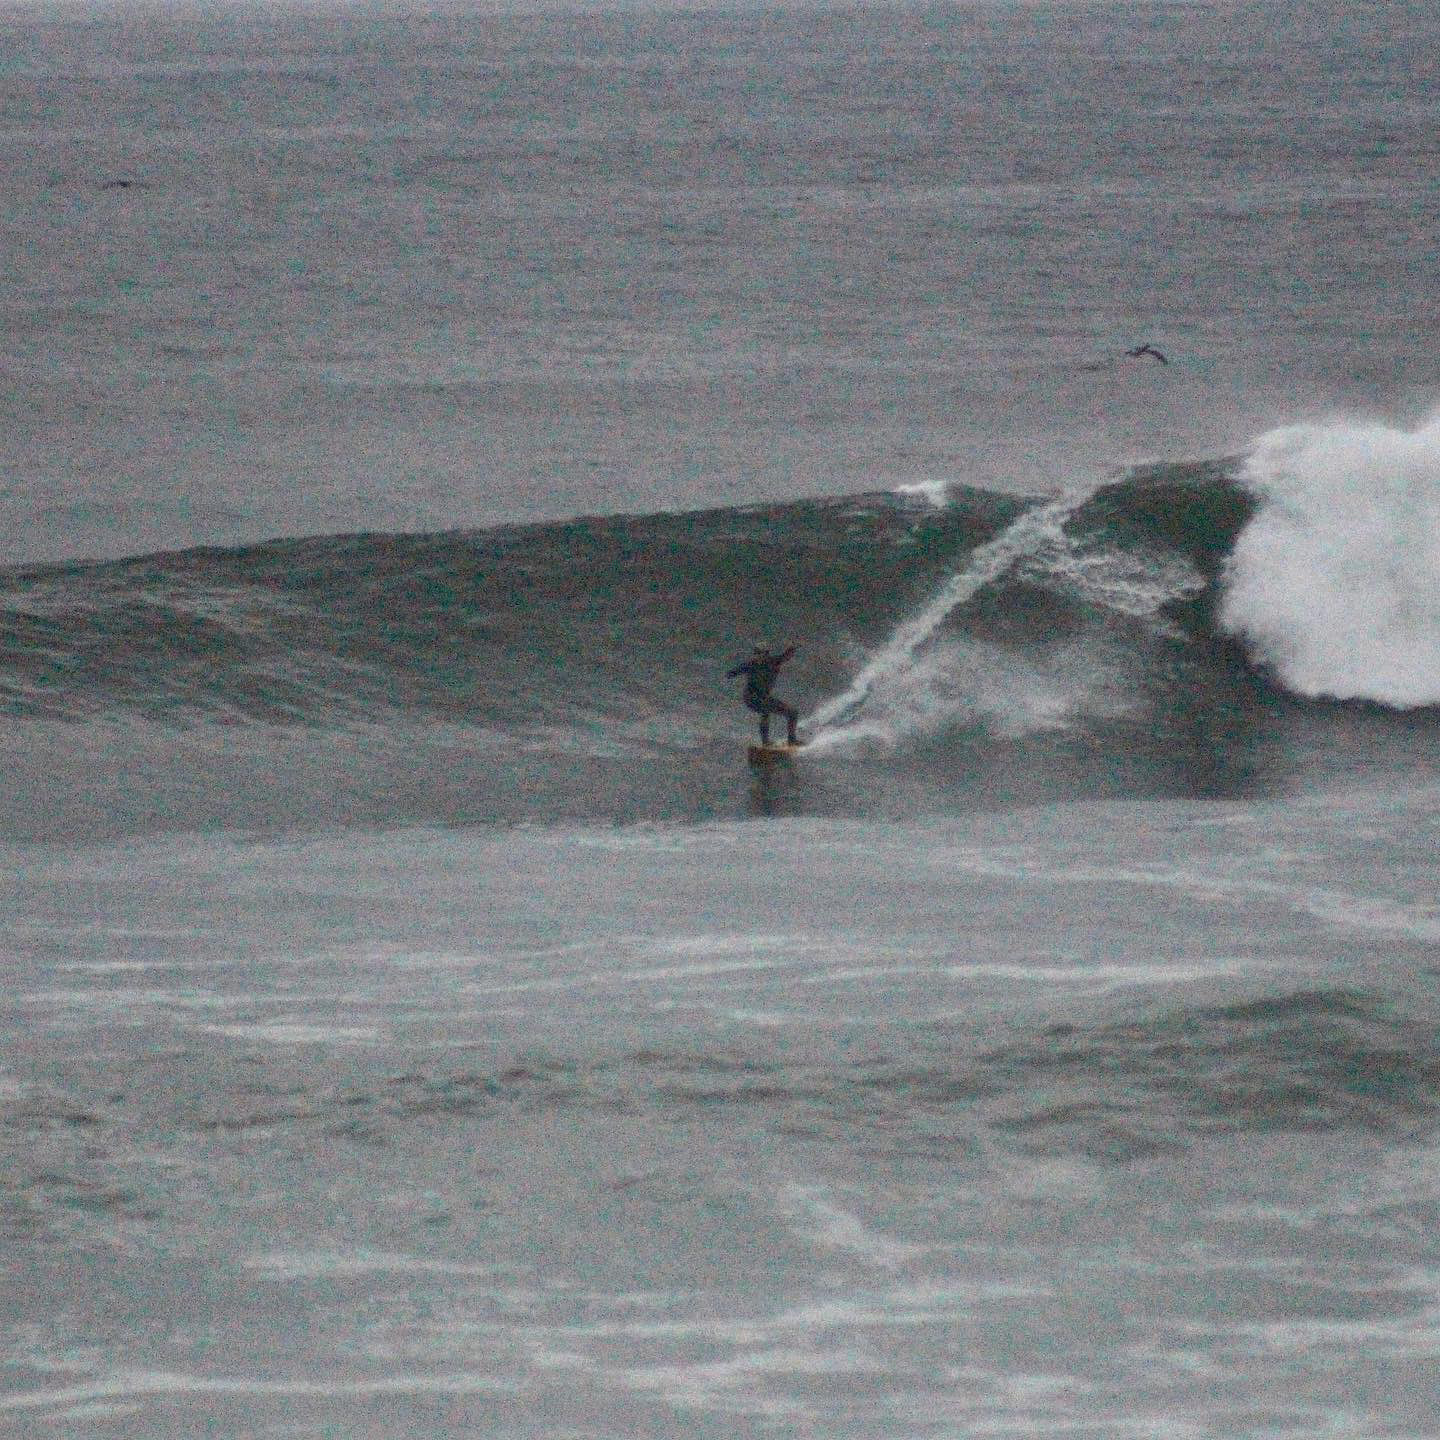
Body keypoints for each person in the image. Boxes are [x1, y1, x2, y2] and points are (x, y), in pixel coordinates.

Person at [727, 643, 800, 746]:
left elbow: (786, 656)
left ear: (766, 654)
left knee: (793, 713)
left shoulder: (773, 662)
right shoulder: (750, 665)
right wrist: (731, 674)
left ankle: (792, 740)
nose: (758, 656)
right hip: (751, 698)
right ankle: (765, 743)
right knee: (765, 710)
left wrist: (793, 647)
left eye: (761, 654)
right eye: (756, 653)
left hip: (765, 698)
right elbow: (732, 672)